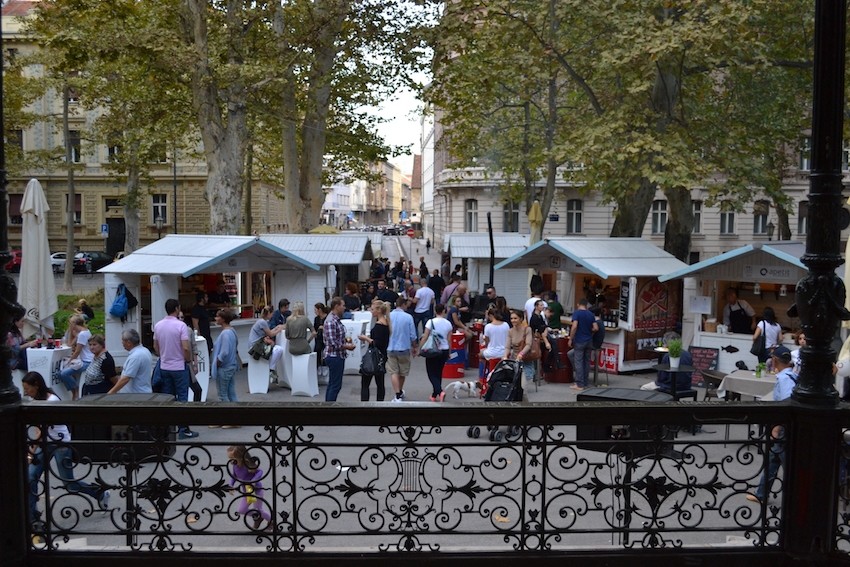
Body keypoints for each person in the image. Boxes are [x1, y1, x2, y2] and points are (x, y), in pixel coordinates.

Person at [23, 372, 110, 531]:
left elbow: (43, 428)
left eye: (28, 388)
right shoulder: (36, 400)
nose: (26, 392)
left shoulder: (51, 401)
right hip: (45, 443)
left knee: (69, 484)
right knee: (31, 477)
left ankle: (99, 493)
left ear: (36, 385)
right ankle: (33, 517)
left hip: (60, 443)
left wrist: (32, 451)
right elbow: (38, 428)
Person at [747, 346, 797, 503]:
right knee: (774, 459)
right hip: (787, 426)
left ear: (775, 360)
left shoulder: (784, 379)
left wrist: (777, 426)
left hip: (784, 427)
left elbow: (786, 404)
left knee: (786, 462)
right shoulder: (793, 376)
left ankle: (796, 497)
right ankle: (761, 493)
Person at [227, 445, 272, 531]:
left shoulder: (247, 464)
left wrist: (253, 480)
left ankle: (271, 522)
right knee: (241, 510)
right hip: (246, 492)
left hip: (256, 490)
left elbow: (260, 471)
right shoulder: (235, 465)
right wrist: (231, 485)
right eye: (229, 458)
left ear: (240, 457)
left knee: (259, 509)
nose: (230, 460)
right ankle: (257, 516)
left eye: (232, 458)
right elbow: (234, 476)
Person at [323, 297, 356, 402]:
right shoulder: (331, 321)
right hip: (334, 356)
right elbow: (333, 342)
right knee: (335, 385)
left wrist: (345, 340)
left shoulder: (335, 320)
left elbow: (336, 337)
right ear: (337, 306)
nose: (344, 308)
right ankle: (330, 407)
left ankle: (328, 405)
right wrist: (347, 346)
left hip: (337, 355)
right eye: (343, 305)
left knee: (333, 384)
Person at [387, 296, 418, 402]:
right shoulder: (408, 317)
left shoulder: (389, 316)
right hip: (404, 347)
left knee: (394, 372)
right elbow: (412, 335)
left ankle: (397, 394)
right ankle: (399, 391)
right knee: (402, 372)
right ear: (403, 304)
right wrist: (415, 347)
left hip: (391, 347)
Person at [419, 303, 453, 402]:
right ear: (444, 311)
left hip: (433, 350)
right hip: (444, 350)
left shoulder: (430, 322)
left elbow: (425, 336)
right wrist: (449, 352)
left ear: (435, 311)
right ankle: (434, 395)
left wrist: (420, 348)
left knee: (431, 373)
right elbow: (449, 340)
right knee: (438, 372)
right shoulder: (448, 323)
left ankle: (440, 391)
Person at [359, 299, 390, 401]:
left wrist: (365, 338)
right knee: (380, 382)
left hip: (374, 356)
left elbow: (377, 343)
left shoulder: (379, 325)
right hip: (382, 356)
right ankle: (380, 403)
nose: (371, 312)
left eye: (373, 310)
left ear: (379, 310)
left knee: (365, 383)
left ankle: (364, 404)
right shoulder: (386, 324)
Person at [58, 315, 93, 401]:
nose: (69, 326)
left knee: (63, 373)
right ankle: (75, 389)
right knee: (67, 370)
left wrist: (69, 361)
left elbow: (77, 351)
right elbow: (71, 345)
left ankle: (75, 390)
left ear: (74, 324)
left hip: (86, 361)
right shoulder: (86, 331)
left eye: (70, 324)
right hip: (88, 359)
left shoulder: (82, 334)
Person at [108, 329, 153, 394]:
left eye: (123, 341)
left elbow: (126, 378)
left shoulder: (136, 356)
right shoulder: (145, 350)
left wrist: (111, 392)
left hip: (135, 395)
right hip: (143, 392)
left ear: (129, 343)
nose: (122, 343)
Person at [567, 298, 597, 391]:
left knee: (578, 362)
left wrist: (571, 338)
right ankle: (585, 382)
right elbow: (596, 328)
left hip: (580, 340)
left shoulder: (577, 313)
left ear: (578, 304)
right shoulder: (591, 314)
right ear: (586, 305)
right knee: (586, 362)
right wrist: (589, 331)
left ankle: (579, 384)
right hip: (589, 340)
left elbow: (574, 326)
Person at [250, 306, 286, 383]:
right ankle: (271, 369)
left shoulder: (261, 321)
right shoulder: (263, 322)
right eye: (272, 313)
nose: (272, 316)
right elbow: (271, 334)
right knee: (279, 350)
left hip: (256, 344)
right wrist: (279, 330)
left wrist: (276, 328)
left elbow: (268, 332)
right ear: (269, 313)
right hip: (256, 346)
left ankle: (270, 368)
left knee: (274, 347)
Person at [212, 309, 239, 403]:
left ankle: (227, 410)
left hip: (224, 367)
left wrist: (218, 361)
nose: (216, 318)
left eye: (217, 316)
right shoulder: (232, 331)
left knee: (222, 395)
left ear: (223, 319)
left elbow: (224, 351)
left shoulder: (225, 333)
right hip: (231, 365)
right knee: (231, 393)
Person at [506, 310, 536, 388]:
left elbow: (528, 344)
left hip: (525, 358)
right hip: (514, 358)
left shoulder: (527, 329)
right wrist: (505, 356)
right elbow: (507, 347)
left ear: (521, 319)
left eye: (515, 318)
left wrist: (521, 354)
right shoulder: (510, 331)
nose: (513, 320)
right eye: (511, 318)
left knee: (523, 385)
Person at [313, 303, 329, 376]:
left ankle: (325, 366)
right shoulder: (316, 319)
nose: (314, 311)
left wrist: (323, 328)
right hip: (319, 338)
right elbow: (315, 328)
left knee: (326, 352)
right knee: (317, 350)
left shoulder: (327, 318)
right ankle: (318, 366)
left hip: (326, 338)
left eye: (315, 310)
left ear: (319, 310)